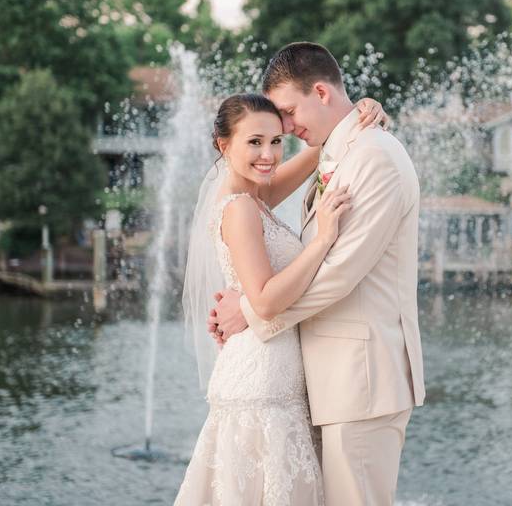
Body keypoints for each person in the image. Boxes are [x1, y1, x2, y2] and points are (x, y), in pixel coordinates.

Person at [211, 42, 425, 506]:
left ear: (322, 92)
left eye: (288, 113)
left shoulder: (374, 157)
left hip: (362, 381)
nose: (284, 129)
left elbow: (338, 274)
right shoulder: (338, 152)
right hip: (324, 382)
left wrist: (252, 311)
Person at [174, 91, 388, 506]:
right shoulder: (240, 208)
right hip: (261, 381)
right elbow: (267, 301)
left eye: (275, 141)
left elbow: (318, 149)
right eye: (254, 142)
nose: (268, 154)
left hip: (276, 374)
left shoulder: (256, 197)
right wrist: (324, 237)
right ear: (224, 144)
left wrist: (356, 113)